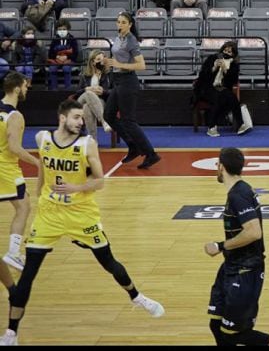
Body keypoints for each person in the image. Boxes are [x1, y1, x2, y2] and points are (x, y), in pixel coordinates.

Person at [0, 99, 165, 346]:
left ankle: (136, 296)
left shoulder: (87, 144)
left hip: (81, 213)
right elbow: (44, 168)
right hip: (50, 215)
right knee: (28, 275)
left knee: (108, 261)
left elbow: (99, 181)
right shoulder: (42, 138)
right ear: (62, 118)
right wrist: (39, 193)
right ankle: (11, 333)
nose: (81, 122)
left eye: (82, 118)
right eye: (77, 117)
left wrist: (75, 187)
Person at [204, 147, 269, 347]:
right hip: (231, 266)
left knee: (235, 333)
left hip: (246, 270)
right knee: (216, 325)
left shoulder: (238, 195)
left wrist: (220, 245)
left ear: (221, 166)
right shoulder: (241, 189)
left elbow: (253, 232)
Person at [104, 12, 159, 169]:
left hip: (128, 82)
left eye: (123, 22)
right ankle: (133, 146)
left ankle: (151, 154)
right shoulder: (118, 38)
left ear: (130, 25)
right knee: (108, 115)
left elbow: (141, 66)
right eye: (118, 22)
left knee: (129, 120)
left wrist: (119, 65)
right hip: (118, 81)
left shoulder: (131, 41)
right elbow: (118, 59)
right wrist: (109, 63)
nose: (119, 25)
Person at [0, 72, 38, 273]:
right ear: (16, 88)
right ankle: (13, 254)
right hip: (5, 168)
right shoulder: (15, 116)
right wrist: (37, 163)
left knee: (23, 203)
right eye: (24, 86)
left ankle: (14, 253)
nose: (26, 89)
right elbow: (14, 147)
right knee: (24, 207)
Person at [195, 41, 251, 138]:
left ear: (233, 54)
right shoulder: (212, 58)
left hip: (223, 89)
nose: (226, 53)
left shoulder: (234, 65)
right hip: (207, 88)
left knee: (231, 97)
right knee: (219, 96)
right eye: (225, 50)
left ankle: (240, 125)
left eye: (229, 52)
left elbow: (232, 82)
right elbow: (202, 76)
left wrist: (225, 70)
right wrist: (214, 67)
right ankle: (212, 127)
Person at [76, 50, 113, 139]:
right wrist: (86, 89)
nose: (101, 62)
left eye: (103, 59)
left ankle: (93, 140)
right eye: (98, 59)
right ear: (93, 62)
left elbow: (115, 91)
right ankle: (104, 122)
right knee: (88, 93)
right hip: (82, 100)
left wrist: (103, 91)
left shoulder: (109, 75)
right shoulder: (84, 75)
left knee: (87, 108)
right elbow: (77, 92)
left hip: (100, 101)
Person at [46, 19, 79, 91]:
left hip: (69, 60)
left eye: (64, 29)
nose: (62, 31)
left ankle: (68, 89)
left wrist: (67, 57)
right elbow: (50, 54)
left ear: (68, 29)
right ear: (57, 30)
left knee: (66, 69)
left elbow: (75, 53)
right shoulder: (55, 40)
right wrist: (57, 57)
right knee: (52, 69)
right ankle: (54, 89)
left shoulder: (72, 39)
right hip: (56, 60)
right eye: (60, 29)